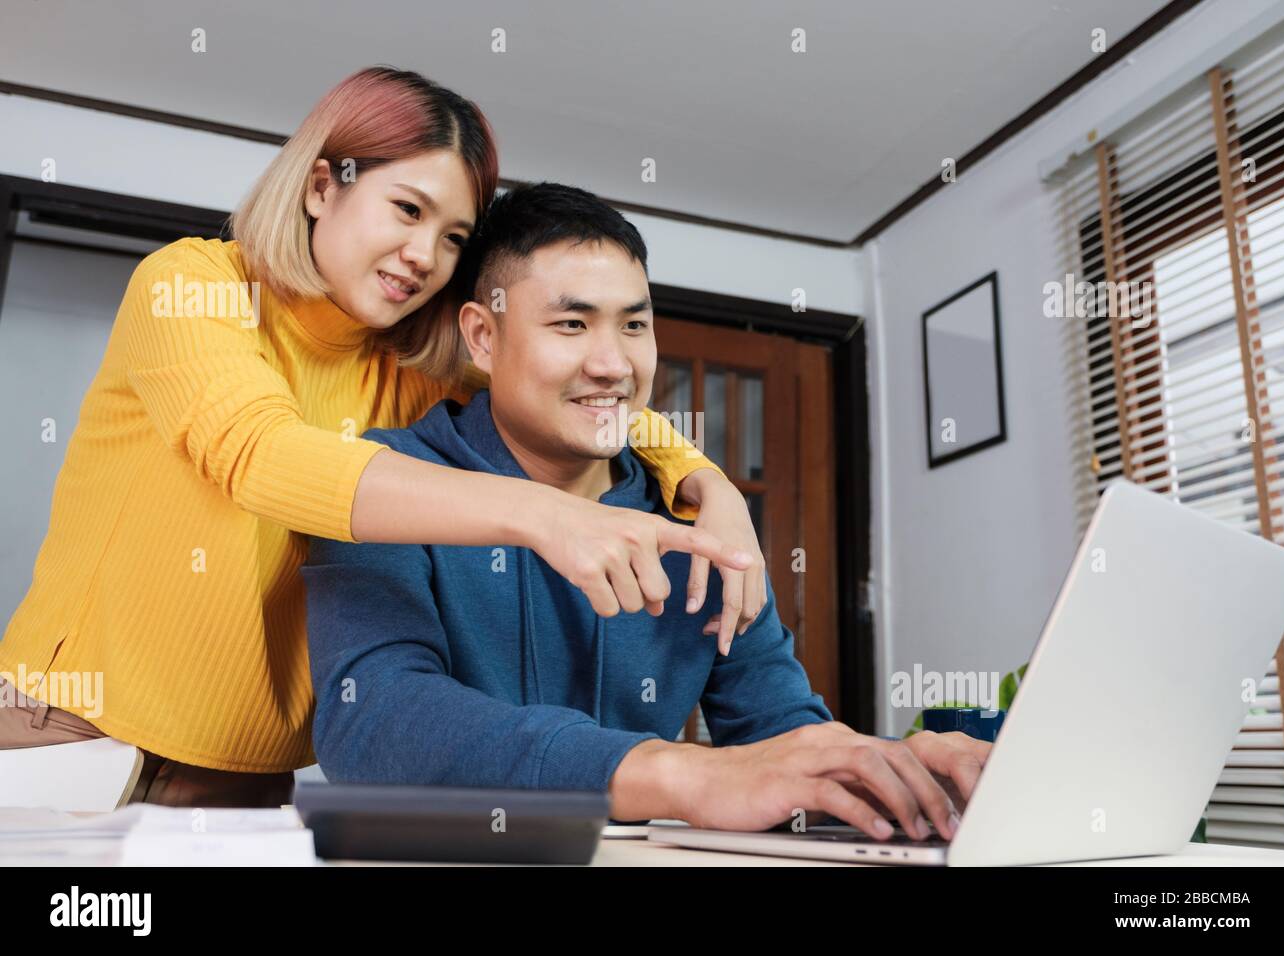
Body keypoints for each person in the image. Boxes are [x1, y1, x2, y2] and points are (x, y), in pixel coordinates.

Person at [0, 68, 765, 808]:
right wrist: (546, 515)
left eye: (454, 236)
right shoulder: (192, 284)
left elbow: (585, 390)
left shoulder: (408, 368)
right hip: (65, 733)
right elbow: (257, 453)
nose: (425, 257)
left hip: (242, 776)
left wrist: (709, 485)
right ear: (321, 185)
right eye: (407, 209)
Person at [303, 183, 989, 837]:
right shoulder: (385, 484)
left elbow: (777, 732)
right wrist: (675, 772)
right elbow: (371, 721)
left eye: (634, 325)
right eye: (571, 324)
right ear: (483, 337)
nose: (612, 364)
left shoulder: (703, 520)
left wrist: (898, 774)